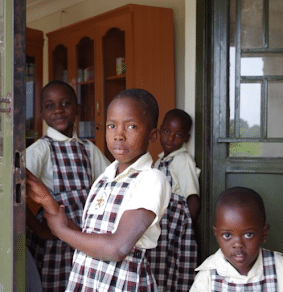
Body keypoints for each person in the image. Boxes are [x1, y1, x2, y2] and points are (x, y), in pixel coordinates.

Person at [27, 88, 171, 291]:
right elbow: (88, 235)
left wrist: (61, 231)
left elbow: (117, 248)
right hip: (89, 280)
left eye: (131, 126)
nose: (119, 135)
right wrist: (49, 204)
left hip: (122, 283)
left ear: (152, 134)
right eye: (112, 126)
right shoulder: (104, 178)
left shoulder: (151, 179)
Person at [25, 80, 110, 292]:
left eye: (65, 103)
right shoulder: (41, 149)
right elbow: (13, 191)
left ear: (77, 109)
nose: (59, 110)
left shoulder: (87, 148)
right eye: (50, 106)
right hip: (56, 232)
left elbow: (110, 180)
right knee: (56, 283)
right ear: (42, 112)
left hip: (84, 230)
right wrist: (38, 228)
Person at [146, 108, 200, 291]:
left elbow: (193, 198)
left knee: (173, 266)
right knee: (160, 264)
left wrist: (185, 230)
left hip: (175, 226)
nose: (170, 138)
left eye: (178, 135)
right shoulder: (161, 160)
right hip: (162, 223)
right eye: (167, 132)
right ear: (160, 130)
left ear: (186, 137)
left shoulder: (183, 160)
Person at [190, 186, 283, 291]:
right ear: (216, 235)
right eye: (227, 235)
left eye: (248, 234)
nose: (238, 244)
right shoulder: (207, 276)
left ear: (263, 233)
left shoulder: (279, 268)